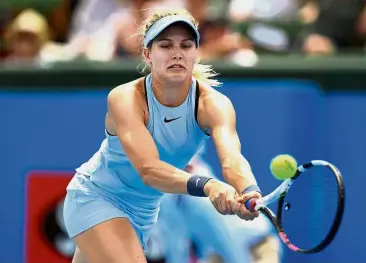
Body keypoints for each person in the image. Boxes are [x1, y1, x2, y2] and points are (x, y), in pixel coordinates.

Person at [63, 8, 263, 263]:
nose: (177, 53)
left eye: (186, 45)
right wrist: (209, 185)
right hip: (95, 198)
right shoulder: (125, 98)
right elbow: (149, 170)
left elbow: (232, 159)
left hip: (142, 213)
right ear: (147, 54)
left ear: (196, 53)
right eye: (166, 45)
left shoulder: (214, 104)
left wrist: (248, 189)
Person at [146, 148, 283, 263]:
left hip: (254, 246)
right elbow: (177, 242)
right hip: (218, 253)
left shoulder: (198, 197)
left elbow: (228, 242)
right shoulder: (169, 195)